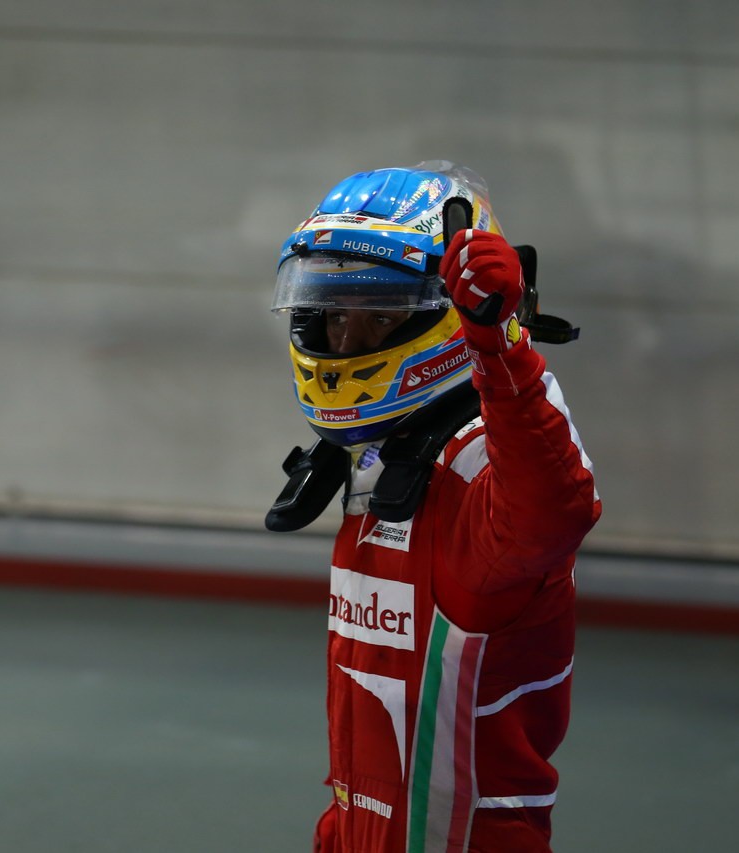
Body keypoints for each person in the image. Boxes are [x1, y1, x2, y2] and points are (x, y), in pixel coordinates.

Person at [266, 161, 601, 852]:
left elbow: (556, 508)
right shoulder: (383, 460)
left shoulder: (480, 459)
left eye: (378, 313)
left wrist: (500, 342)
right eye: (331, 314)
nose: (345, 342)